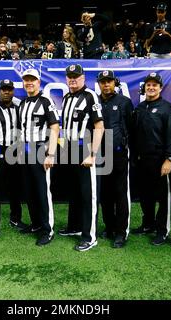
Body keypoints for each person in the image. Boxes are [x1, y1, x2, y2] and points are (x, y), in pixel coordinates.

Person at [59, 64, 105, 251]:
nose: (72, 79)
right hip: (70, 148)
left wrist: (92, 154)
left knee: (89, 195)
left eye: (76, 76)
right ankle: (75, 227)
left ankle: (90, 236)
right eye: (70, 76)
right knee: (75, 192)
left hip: (86, 148)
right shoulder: (67, 97)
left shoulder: (90, 96)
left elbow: (99, 127)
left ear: (84, 78)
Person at [131, 73, 171, 245]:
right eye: (148, 85)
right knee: (145, 195)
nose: (151, 88)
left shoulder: (167, 108)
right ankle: (148, 224)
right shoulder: (140, 108)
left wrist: (169, 159)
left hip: (160, 159)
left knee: (163, 197)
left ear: (160, 88)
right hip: (142, 159)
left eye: (154, 85)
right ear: (144, 88)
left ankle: (162, 230)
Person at [17, 68, 60, 246]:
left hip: (41, 150)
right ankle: (35, 224)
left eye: (32, 80)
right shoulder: (23, 103)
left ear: (38, 82)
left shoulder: (45, 101)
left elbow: (55, 127)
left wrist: (50, 154)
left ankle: (47, 229)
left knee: (42, 192)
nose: (29, 83)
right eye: (26, 80)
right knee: (29, 190)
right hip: (25, 151)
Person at [0, 79, 28, 237]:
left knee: (16, 188)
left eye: (9, 89)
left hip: (15, 151)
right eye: (4, 89)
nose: (6, 92)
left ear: (13, 91)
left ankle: (15, 218)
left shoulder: (19, 109)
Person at [97, 70, 134, 248]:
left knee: (120, 194)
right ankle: (109, 227)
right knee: (105, 194)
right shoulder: (95, 101)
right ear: (99, 84)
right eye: (103, 82)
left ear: (115, 83)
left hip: (119, 152)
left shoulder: (124, 102)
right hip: (100, 153)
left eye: (109, 81)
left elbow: (131, 128)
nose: (106, 85)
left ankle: (121, 232)